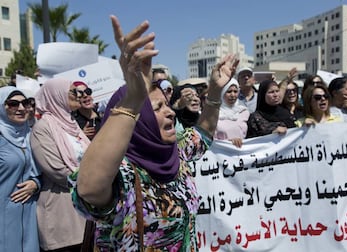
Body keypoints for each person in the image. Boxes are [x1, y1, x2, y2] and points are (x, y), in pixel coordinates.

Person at [69, 16, 239, 251]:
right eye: (157, 108)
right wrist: (132, 102)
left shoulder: (175, 154)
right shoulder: (125, 175)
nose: (170, 112)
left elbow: (203, 135)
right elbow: (89, 189)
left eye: (167, 104)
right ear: (139, 120)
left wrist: (214, 94)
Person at [31, 78, 90, 252]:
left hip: (85, 209)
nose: (79, 96)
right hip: (62, 212)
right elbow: (56, 170)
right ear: (57, 95)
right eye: (73, 92)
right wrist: (95, 181)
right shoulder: (43, 127)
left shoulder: (72, 125)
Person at [0, 86, 41, 252]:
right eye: (13, 104)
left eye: (25, 103)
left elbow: (41, 171)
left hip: (29, 218)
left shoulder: (31, 135)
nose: (21, 108)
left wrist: (35, 183)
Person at [214, 78, 249, 148]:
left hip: (242, 152)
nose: (233, 95)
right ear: (222, 92)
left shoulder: (244, 112)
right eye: (229, 91)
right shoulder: (214, 113)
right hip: (222, 153)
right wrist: (228, 142)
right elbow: (209, 139)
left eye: (235, 91)